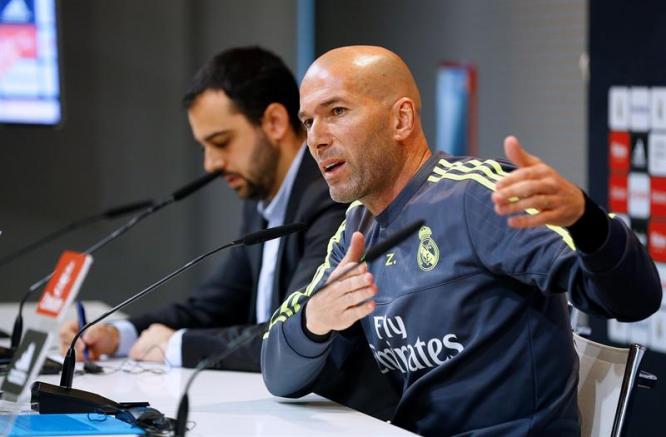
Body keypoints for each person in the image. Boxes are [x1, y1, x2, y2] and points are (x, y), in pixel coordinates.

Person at [261, 45, 663, 436]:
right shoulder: (355, 229)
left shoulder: (479, 197)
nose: (316, 139)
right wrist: (315, 321)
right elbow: (278, 373)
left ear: (401, 120)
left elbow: (635, 299)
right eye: (308, 122)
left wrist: (587, 222)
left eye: (336, 111)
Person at [58, 46, 349, 372]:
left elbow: (295, 328)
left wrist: (177, 346)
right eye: (205, 147)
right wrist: (117, 335)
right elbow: (211, 306)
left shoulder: (330, 199)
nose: (211, 164)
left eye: (222, 142)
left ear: (275, 122)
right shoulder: (262, 201)